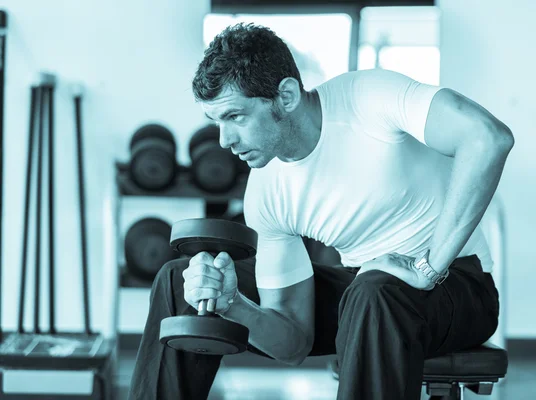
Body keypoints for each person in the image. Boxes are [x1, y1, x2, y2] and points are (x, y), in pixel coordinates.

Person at [128, 22, 514, 400]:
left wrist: (427, 268)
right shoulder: (266, 190)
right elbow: (294, 340)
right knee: (182, 279)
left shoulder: (368, 97)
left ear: (287, 95)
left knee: (374, 293)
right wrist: (234, 305)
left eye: (236, 117)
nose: (225, 140)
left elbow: (488, 138)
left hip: (457, 284)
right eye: (216, 122)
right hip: (363, 291)